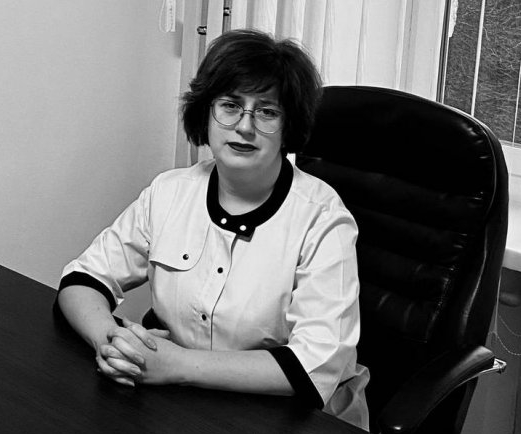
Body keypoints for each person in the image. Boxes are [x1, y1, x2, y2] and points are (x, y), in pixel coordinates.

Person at [56, 29, 369, 429]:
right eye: (230, 105)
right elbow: (82, 279)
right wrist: (113, 344)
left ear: (289, 126)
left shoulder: (322, 218)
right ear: (205, 112)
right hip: (182, 402)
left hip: (295, 415)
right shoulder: (170, 192)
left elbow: (314, 365)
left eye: (267, 111)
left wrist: (178, 365)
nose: (244, 126)